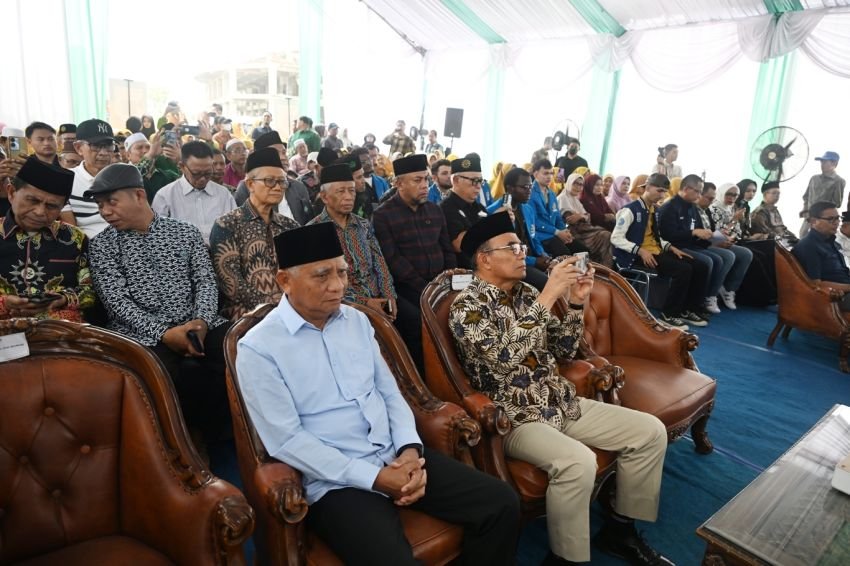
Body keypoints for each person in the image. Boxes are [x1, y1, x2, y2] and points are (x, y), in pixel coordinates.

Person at [235, 221, 520, 565]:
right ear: (285, 281)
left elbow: (390, 394)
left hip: (394, 455)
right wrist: (375, 478)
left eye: (342, 272)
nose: (337, 286)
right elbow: (286, 440)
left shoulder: (356, 321)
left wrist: (410, 451)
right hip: (337, 481)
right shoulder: (258, 347)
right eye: (322, 276)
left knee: (501, 502)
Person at [451, 212, 673, 566]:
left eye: (521, 246)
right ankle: (564, 558)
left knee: (649, 431)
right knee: (577, 462)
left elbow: (565, 350)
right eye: (513, 247)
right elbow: (502, 359)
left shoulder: (524, 293)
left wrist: (574, 302)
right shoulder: (467, 306)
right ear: (485, 258)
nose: (522, 253)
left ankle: (618, 528)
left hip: (557, 400)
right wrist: (550, 293)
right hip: (514, 415)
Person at [86, 163, 231, 443]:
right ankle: (182, 447)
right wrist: (164, 333)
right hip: (142, 335)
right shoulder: (102, 245)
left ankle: (233, 441)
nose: (105, 212)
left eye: (111, 202)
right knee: (167, 375)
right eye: (100, 205)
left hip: (199, 323)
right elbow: (117, 303)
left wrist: (201, 320)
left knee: (236, 350)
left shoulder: (184, 233)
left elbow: (205, 281)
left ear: (139, 195)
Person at [0, 157, 94, 322]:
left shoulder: (75, 239)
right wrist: (5, 303)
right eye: (33, 200)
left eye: (52, 206)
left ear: (62, 207)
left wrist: (63, 299)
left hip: (60, 335)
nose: (40, 212)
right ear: (11, 193)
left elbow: (91, 291)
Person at [210, 148, 300, 320]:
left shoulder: (289, 226)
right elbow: (231, 284)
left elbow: (300, 273)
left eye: (282, 182)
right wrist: (273, 308)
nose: (278, 187)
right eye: (269, 181)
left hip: (291, 310)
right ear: (250, 184)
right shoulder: (228, 224)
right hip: (245, 314)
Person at [612, 173, 709, 330]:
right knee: (683, 270)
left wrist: (670, 247)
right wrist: (640, 251)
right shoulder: (630, 210)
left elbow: (656, 237)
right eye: (659, 190)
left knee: (699, 266)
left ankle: (687, 309)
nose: (662, 195)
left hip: (655, 251)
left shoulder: (653, 210)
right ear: (648, 187)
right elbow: (615, 238)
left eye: (664, 191)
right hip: (635, 255)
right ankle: (668, 315)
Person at [373, 154, 456, 307]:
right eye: (417, 180)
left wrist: (447, 281)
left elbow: (447, 250)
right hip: (407, 290)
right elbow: (393, 260)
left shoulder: (435, 211)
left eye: (426, 179)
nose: (424, 185)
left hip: (442, 286)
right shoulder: (383, 216)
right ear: (399, 184)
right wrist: (428, 289)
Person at [658, 174, 735, 316]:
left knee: (718, 259)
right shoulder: (670, 207)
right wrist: (693, 232)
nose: (700, 195)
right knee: (706, 262)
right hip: (674, 247)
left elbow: (700, 232)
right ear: (686, 189)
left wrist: (716, 240)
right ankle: (689, 306)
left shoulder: (692, 207)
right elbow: (667, 236)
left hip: (691, 245)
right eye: (698, 191)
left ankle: (701, 301)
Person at [152, 141, 236, 245]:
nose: (202, 179)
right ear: (182, 167)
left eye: (208, 173)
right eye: (196, 174)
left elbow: (235, 229)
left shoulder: (224, 194)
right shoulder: (165, 196)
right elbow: (157, 237)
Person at [702, 183, 754, 310]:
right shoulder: (713, 208)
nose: (731, 198)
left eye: (735, 195)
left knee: (747, 254)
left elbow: (737, 232)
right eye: (728, 194)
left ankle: (729, 290)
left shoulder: (731, 209)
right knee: (729, 256)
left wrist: (732, 238)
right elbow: (715, 233)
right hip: (712, 242)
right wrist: (734, 220)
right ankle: (711, 295)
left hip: (724, 241)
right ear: (721, 193)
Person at [62, 119, 116, 238]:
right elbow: (73, 234)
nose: (103, 153)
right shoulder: (66, 180)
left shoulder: (123, 176)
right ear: (78, 148)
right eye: (95, 146)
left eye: (108, 146)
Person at [792, 201, 850, 311]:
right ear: (813, 221)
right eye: (831, 219)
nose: (836, 223)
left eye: (838, 218)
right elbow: (816, 284)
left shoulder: (829, 240)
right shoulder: (809, 246)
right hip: (834, 296)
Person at [733, 178, 778, 307]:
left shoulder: (745, 206)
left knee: (772, 246)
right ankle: (762, 296)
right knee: (758, 256)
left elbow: (745, 229)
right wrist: (750, 238)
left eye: (753, 191)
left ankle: (775, 291)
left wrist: (754, 236)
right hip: (736, 241)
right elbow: (731, 230)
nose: (751, 194)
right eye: (747, 191)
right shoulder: (734, 205)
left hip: (745, 239)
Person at [439, 156, 488, 267]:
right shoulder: (446, 208)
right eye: (474, 181)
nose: (479, 186)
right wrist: (490, 226)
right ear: (456, 180)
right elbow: (461, 244)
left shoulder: (479, 208)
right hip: (463, 272)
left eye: (480, 181)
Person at [556, 174, 611, 267]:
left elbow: (587, 217)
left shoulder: (575, 199)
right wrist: (582, 216)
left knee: (607, 235)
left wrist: (581, 216)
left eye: (581, 184)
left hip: (584, 230)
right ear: (569, 183)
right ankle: (595, 269)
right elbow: (571, 220)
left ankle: (602, 269)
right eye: (575, 183)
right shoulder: (562, 198)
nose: (578, 187)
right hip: (573, 233)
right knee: (605, 236)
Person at [529, 159, 577, 258]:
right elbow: (534, 222)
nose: (549, 177)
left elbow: (558, 217)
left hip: (554, 234)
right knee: (567, 256)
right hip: (541, 236)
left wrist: (565, 231)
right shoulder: (530, 194)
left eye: (551, 173)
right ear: (535, 174)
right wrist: (557, 232)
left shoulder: (551, 193)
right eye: (546, 173)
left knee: (581, 250)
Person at [799, 151, 845, 238]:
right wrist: (805, 209)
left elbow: (837, 203)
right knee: (802, 237)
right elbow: (806, 197)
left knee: (818, 242)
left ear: (834, 163)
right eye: (821, 162)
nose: (822, 164)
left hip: (823, 221)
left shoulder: (838, 181)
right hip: (809, 217)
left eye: (825, 162)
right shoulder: (814, 178)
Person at [751, 181, 798, 245]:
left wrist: (794, 237)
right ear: (765, 194)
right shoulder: (760, 212)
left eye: (778, 194)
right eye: (774, 193)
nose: (777, 196)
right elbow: (766, 232)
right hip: (773, 243)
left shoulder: (774, 210)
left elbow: (783, 228)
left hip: (782, 241)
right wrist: (785, 238)